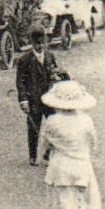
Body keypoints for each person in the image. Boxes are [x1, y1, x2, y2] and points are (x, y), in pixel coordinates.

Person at [38, 80, 101, 209]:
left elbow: (44, 149)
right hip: (82, 166)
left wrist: (44, 156)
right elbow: (93, 144)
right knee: (88, 204)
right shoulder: (86, 120)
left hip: (60, 168)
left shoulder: (52, 122)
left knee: (61, 208)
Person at [15, 25, 62, 166]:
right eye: (37, 43)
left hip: (49, 99)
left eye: (43, 42)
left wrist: (57, 77)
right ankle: (33, 156)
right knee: (33, 129)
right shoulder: (25, 60)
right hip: (33, 100)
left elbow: (56, 72)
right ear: (32, 43)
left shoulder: (50, 56)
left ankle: (48, 153)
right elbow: (20, 82)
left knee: (54, 126)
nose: (40, 46)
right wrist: (23, 100)